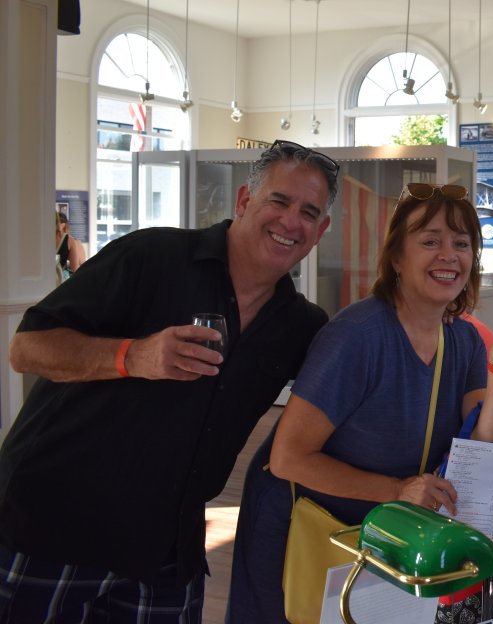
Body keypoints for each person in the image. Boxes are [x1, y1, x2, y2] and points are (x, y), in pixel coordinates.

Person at [0, 139, 337, 622]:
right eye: (279, 201)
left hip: (164, 549)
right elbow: (27, 348)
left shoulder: (300, 325)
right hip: (56, 527)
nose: (291, 222)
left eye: (308, 212)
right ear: (245, 201)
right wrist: (132, 355)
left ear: (321, 229)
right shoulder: (153, 257)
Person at [226, 182, 493, 623]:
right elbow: (287, 458)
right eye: (430, 241)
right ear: (397, 257)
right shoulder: (357, 336)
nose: (448, 255)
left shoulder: (464, 337)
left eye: (461, 244)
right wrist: (398, 491)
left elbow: (482, 445)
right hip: (305, 524)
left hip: (388, 532)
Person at [55, 210, 86, 280]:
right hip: (57, 281)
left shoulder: (42, 238)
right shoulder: (71, 241)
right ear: (63, 225)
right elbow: (76, 268)